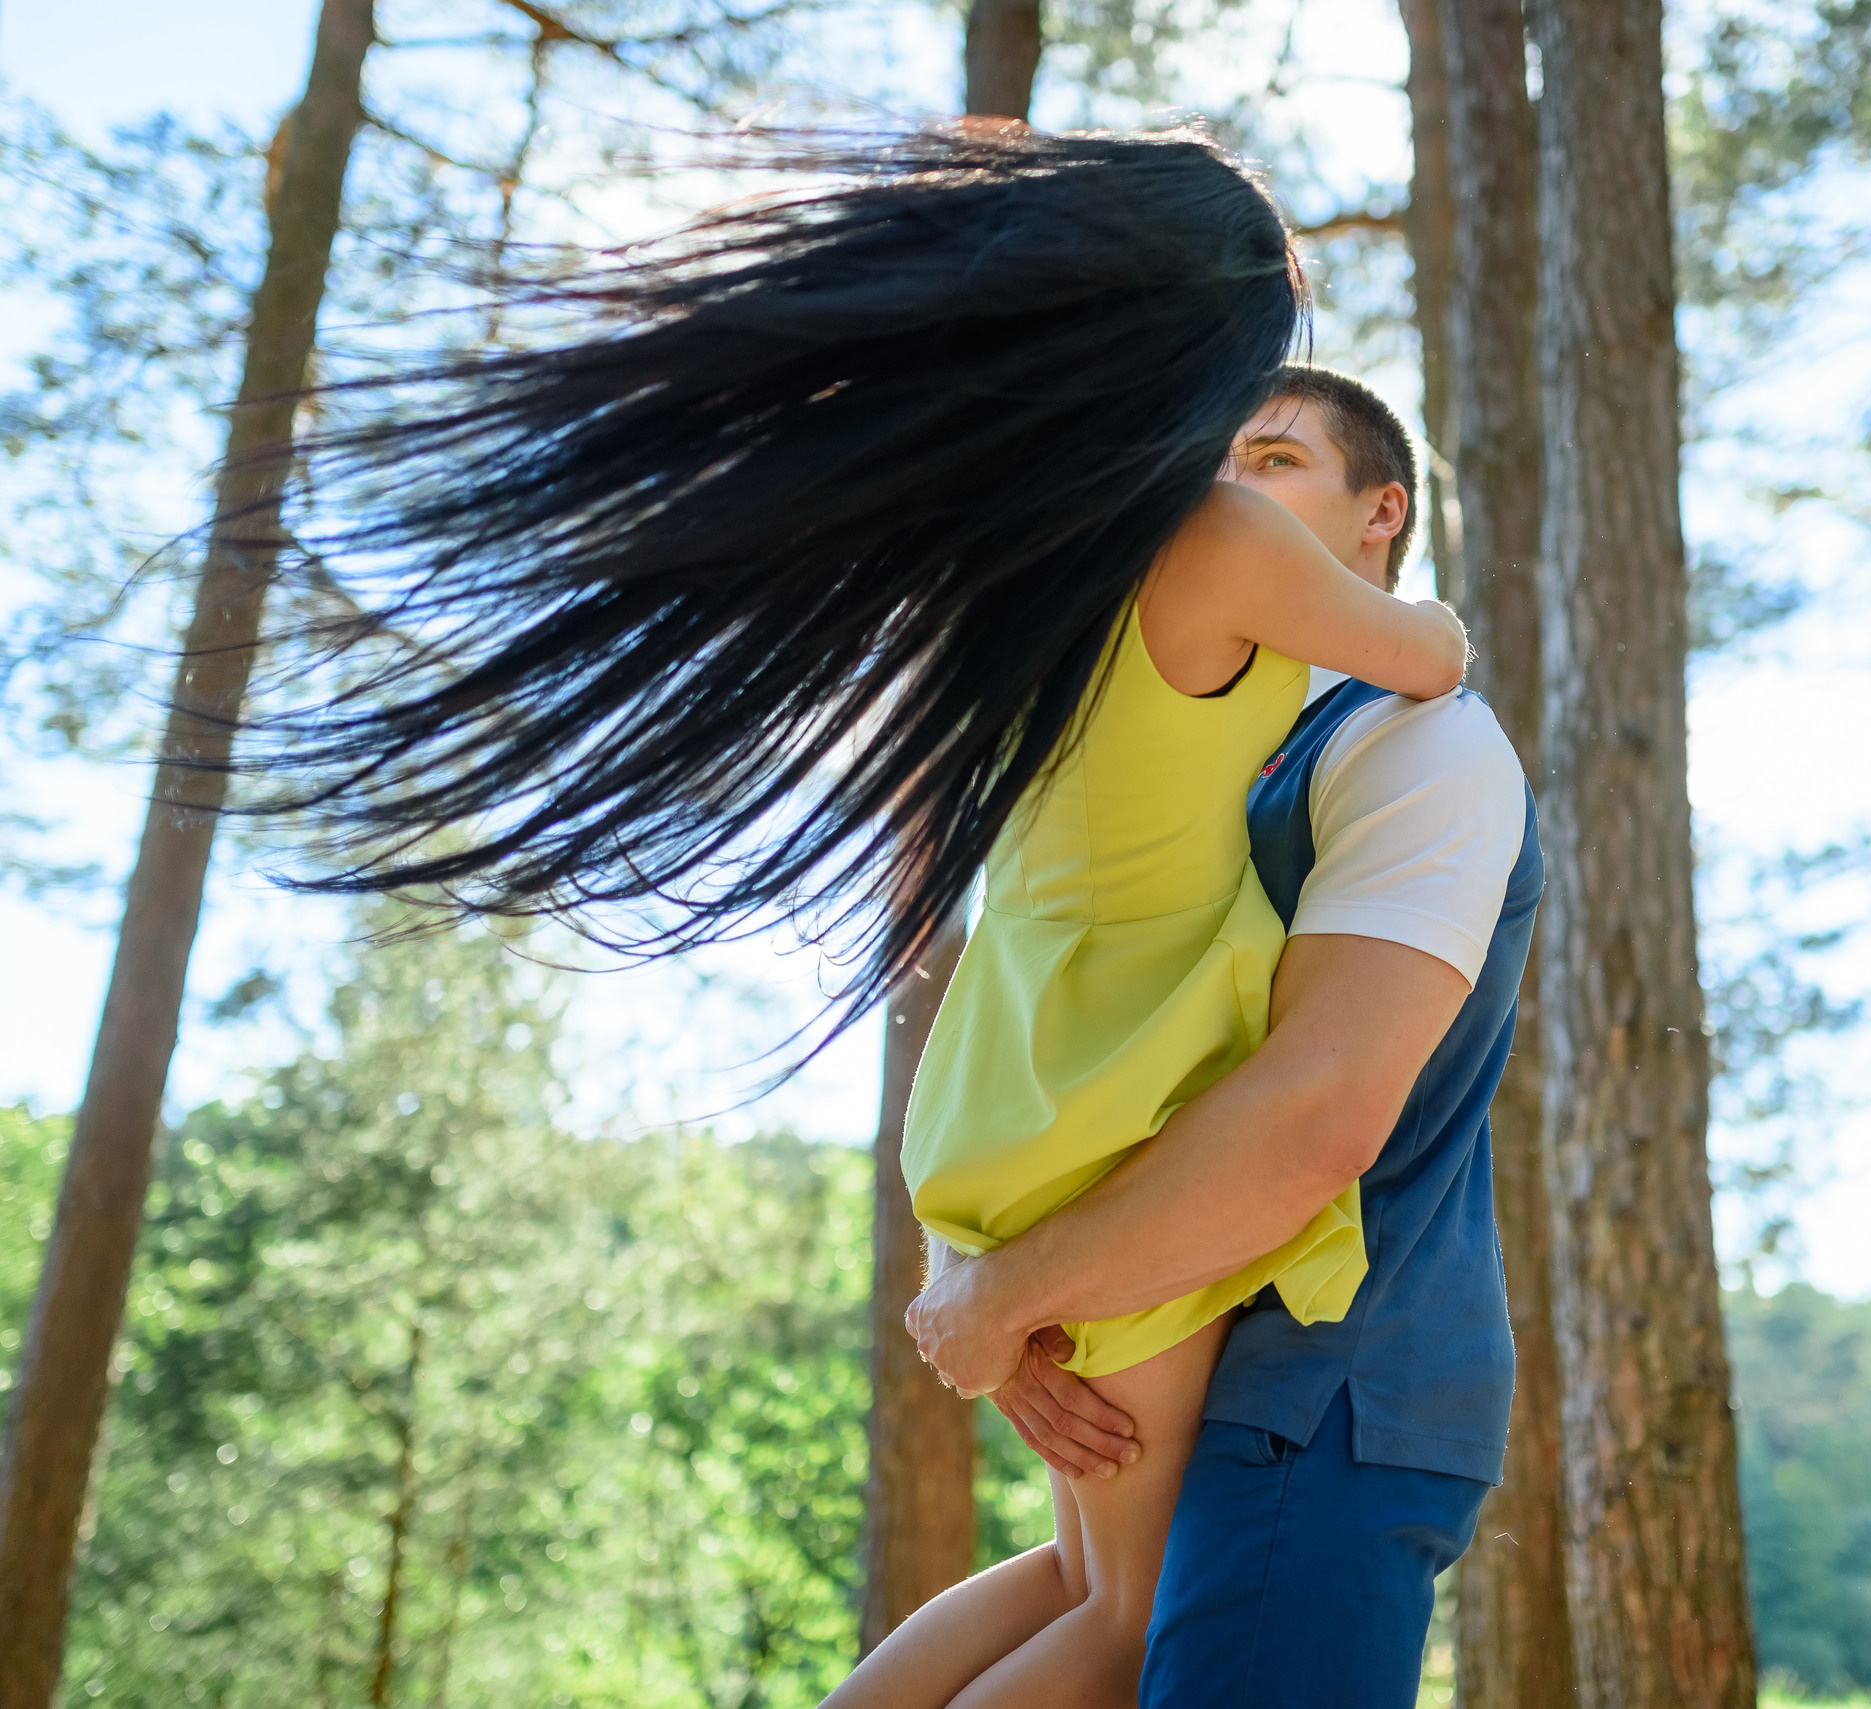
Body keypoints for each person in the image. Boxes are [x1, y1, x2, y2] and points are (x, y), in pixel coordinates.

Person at [246, 130, 1468, 1707]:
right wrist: (1416, 600)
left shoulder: (1029, 549)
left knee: (1081, 1569)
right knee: (1135, 1614)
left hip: (1003, 1098)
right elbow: (1421, 658)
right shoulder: (1224, 544)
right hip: (1123, 1100)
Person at [901, 366, 1541, 1709]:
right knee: (1088, 1599)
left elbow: (1318, 1113)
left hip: (1338, 1378)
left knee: (1110, 1619)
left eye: (1276, 460)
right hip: (1202, 1323)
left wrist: (1012, 1289)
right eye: (1222, 458)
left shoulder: (1424, 745)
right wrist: (1010, 1284)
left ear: (1384, 512)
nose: (1230, 487)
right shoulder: (1206, 727)